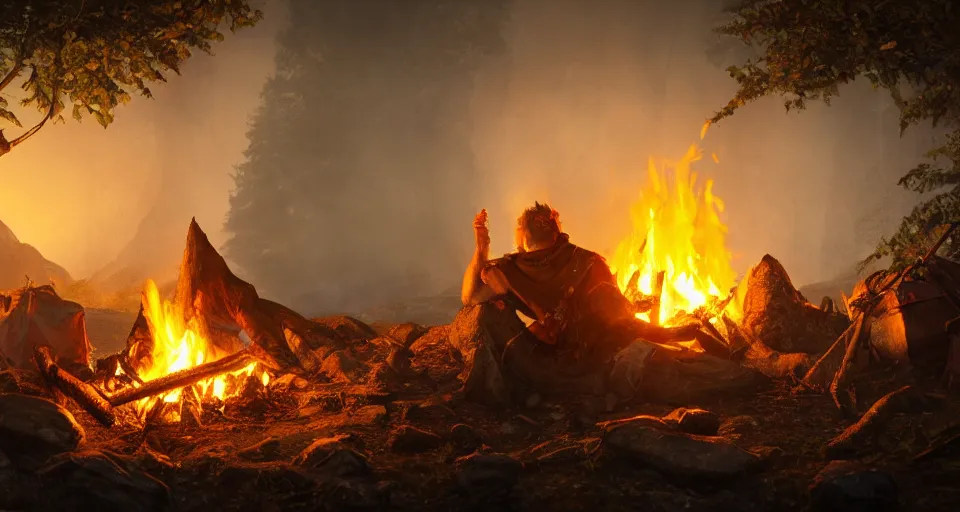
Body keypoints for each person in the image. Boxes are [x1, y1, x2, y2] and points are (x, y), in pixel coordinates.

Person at [453, 202, 746, 407]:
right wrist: (660, 330)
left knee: (487, 312)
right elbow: (618, 320)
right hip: (598, 366)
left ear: (524, 235)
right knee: (693, 367)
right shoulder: (588, 262)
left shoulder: (512, 269)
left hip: (542, 370)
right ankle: (741, 372)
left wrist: (481, 250)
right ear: (556, 231)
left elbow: (471, 297)